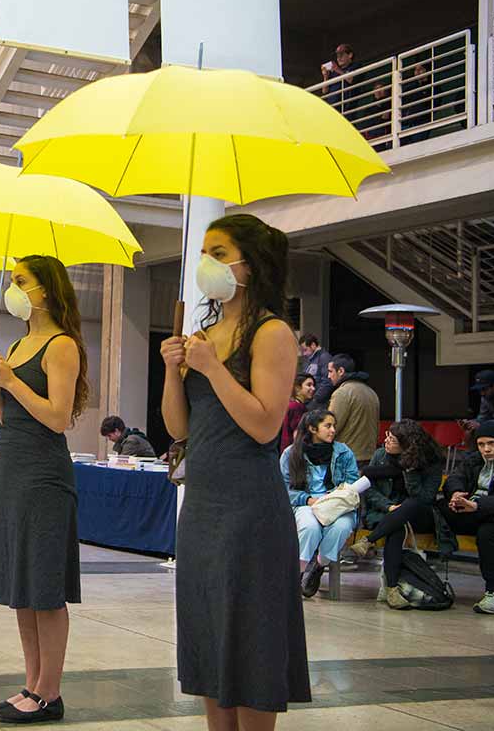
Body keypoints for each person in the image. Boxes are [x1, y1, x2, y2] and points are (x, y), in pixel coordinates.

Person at [160, 214, 311, 724]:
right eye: (204, 252)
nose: (208, 264)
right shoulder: (204, 333)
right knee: (208, 633)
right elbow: (178, 427)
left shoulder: (272, 333)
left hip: (250, 508)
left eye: (219, 253)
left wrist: (212, 368)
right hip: (203, 505)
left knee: (250, 639)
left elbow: (266, 425)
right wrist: (172, 370)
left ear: (252, 263)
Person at [0, 255, 84, 724]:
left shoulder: (62, 345)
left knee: (44, 587)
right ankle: (31, 683)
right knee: (22, 585)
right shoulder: (20, 343)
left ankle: (50, 691)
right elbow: (10, 418)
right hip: (14, 470)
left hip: (44, 475)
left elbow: (58, 417)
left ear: (46, 290)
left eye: (22, 281)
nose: (14, 288)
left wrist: (12, 381)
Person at [349, 420, 445, 609]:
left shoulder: (430, 462)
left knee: (410, 504)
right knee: (397, 528)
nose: (386, 441)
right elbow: (369, 490)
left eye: (392, 439)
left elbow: (424, 497)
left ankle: (369, 541)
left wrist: (410, 470)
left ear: (407, 445)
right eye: (386, 436)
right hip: (384, 514)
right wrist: (388, 506)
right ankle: (392, 589)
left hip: (420, 515)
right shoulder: (381, 456)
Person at [280, 409, 360, 598]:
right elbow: (283, 489)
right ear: (312, 428)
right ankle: (297, 574)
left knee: (342, 526)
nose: (333, 430)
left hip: (337, 505)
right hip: (305, 504)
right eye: (328, 426)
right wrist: (308, 499)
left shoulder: (343, 452)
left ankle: (319, 564)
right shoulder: (291, 454)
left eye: (334, 426)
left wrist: (332, 497)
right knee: (310, 526)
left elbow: (352, 482)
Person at [438, 421, 494, 614]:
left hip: (491, 513)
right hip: (476, 510)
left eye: (492, 443)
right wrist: (456, 494)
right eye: (481, 444)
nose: (486, 449)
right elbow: (455, 477)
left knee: (489, 530)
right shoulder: (475, 459)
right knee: (438, 507)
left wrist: (477, 506)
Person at [327, 354, 380, 467]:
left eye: (330, 371)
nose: (328, 376)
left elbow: (332, 427)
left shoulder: (341, 393)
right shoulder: (371, 392)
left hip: (348, 458)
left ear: (340, 371)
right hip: (369, 457)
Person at [297, 333, 333, 409]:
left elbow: (327, 382)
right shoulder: (308, 360)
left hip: (318, 403)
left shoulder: (324, 357)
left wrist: (315, 400)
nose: (304, 353)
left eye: (305, 350)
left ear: (313, 345)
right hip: (309, 400)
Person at [282, 374, 316, 450]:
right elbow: (298, 433)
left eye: (313, 385)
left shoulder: (293, 405)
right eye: (309, 385)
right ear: (297, 388)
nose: (313, 388)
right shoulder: (296, 407)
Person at [319, 43, 356, 109]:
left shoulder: (355, 66)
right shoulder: (334, 72)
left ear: (350, 55)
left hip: (346, 107)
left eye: (341, 55)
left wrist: (337, 69)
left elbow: (351, 80)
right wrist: (325, 76)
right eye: (337, 56)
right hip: (332, 107)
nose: (338, 58)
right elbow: (324, 91)